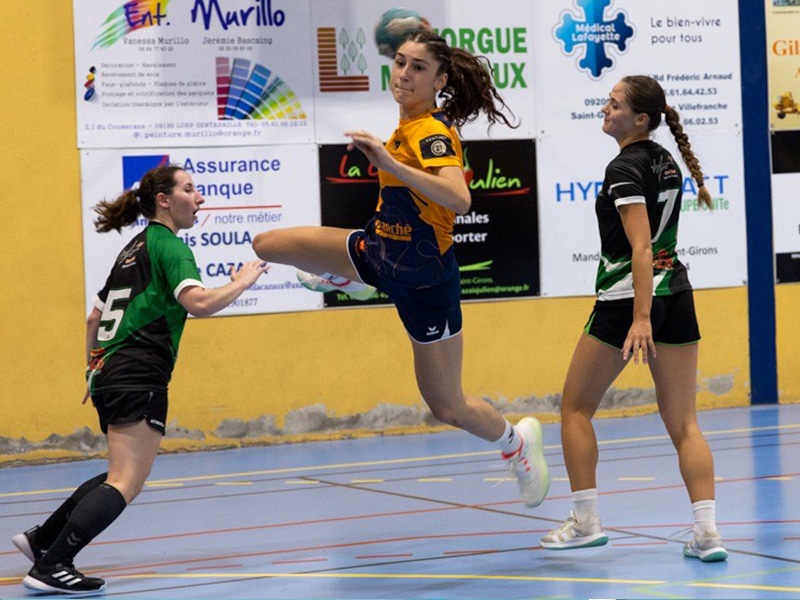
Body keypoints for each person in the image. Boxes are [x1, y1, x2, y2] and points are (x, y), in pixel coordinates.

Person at [253, 30, 549, 510]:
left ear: (440, 79)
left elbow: (459, 197)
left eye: (418, 67)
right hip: (378, 253)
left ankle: (517, 444)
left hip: (424, 280)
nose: (404, 74)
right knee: (268, 245)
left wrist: (389, 161)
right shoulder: (404, 123)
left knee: (447, 405)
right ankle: (352, 280)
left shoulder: (430, 132)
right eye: (400, 63)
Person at [12, 165, 270, 594]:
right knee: (126, 482)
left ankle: (43, 540)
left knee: (120, 471)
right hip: (139, 372)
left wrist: (93, 368)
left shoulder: (133, 247)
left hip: (111, 373)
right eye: (190, 189)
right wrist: (243, 280)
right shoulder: (169, 246)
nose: (200, 198)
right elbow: (200, 303)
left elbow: (95, 318)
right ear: (164, 200)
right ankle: (52, 564)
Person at [539, 75, 727, 562]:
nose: (605, 108)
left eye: (614, 103)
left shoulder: (623, 167)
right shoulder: (665, 160)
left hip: (628, 299)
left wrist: (640, 317)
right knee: (684, 422)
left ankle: (585, 522)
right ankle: (707, 533)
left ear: (640, 119)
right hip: (678, 294)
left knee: (574, 409)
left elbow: (641, 246)